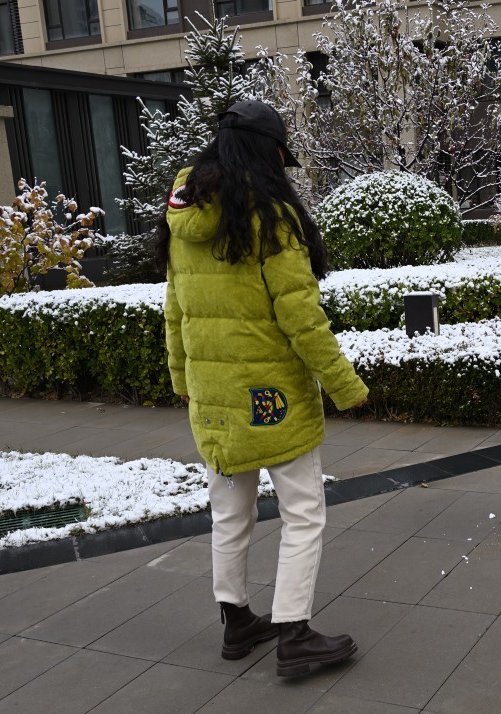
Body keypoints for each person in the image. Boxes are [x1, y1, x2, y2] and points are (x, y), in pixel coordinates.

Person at [158, 99, 369, 677]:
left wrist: (181, 377)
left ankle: (237, 622)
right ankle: (294, 633)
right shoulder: (270, 218)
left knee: (230, 515)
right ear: (266, 153)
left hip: (213, 398)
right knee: (303, 512)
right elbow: (302, 318)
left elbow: (175, 307)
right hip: (272, 397)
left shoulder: (183, 215)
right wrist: (345, 385)